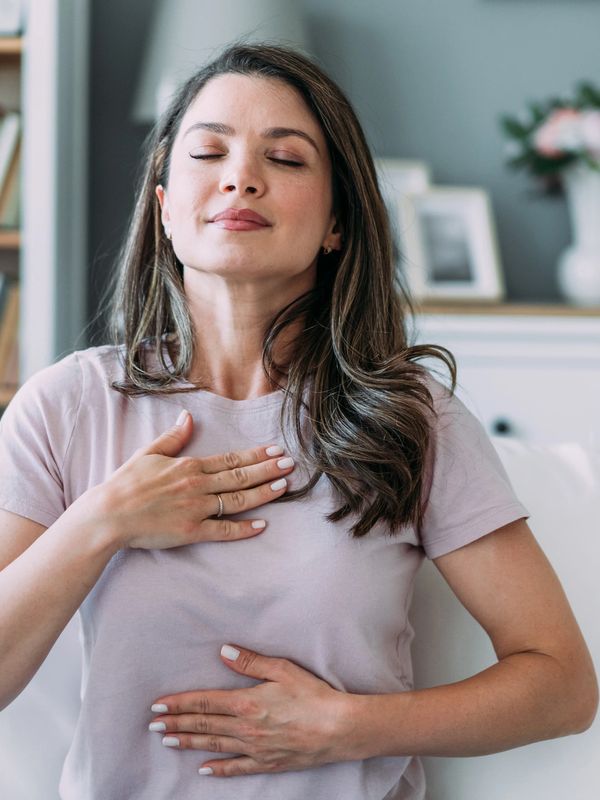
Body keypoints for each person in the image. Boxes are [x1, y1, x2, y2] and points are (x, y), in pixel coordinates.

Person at [0, 42, 597, 800]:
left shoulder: (415, 420)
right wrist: (104, 521)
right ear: (164, 208)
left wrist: (350, 727)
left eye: (284, 160)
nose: (241, 176)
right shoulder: (67, 405)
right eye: (208, 151)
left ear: (337, 224)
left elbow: (562, 685)